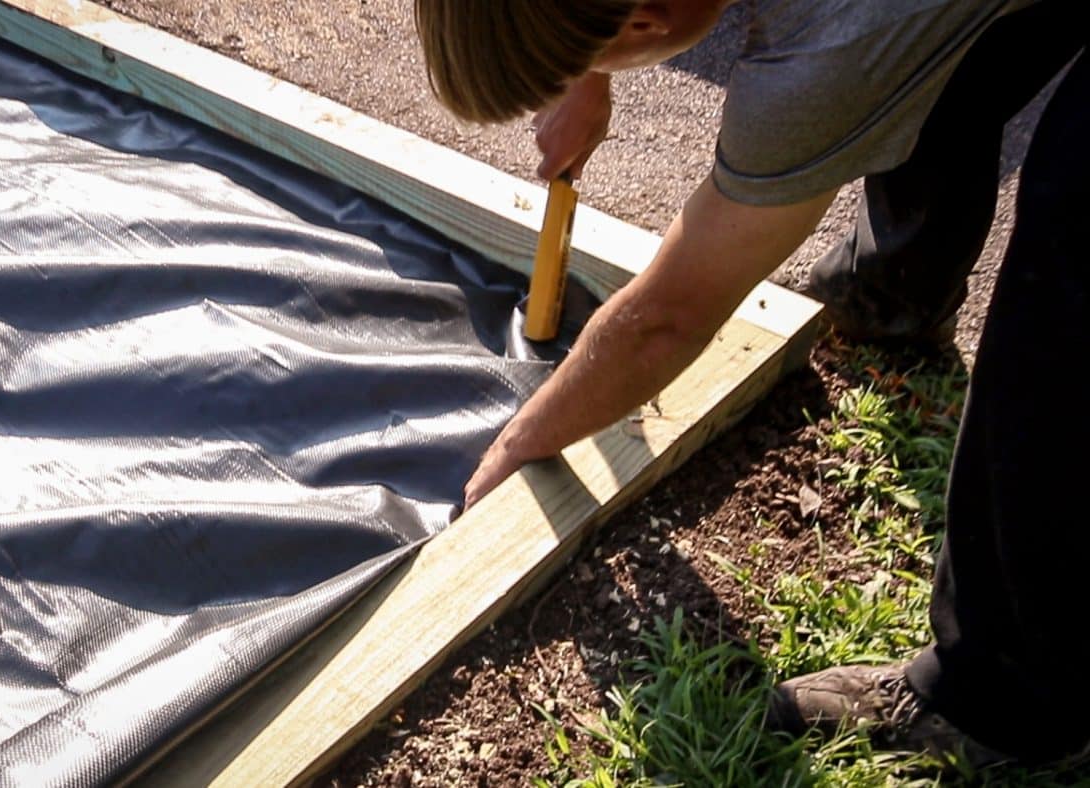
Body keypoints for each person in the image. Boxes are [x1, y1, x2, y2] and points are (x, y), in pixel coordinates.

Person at [415, 0, 1088, 767]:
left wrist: (519, 440)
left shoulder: (810, 65)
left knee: (1067, 262)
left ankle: (1005, 697)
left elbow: (670, 316)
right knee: (944, 52)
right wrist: (585, 71)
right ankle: (896, 289)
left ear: (643, 23)